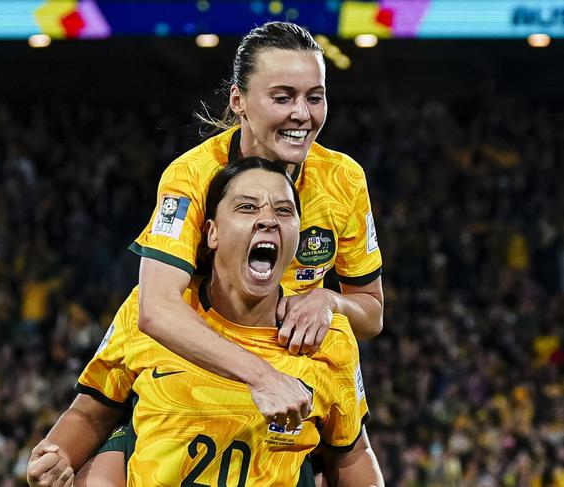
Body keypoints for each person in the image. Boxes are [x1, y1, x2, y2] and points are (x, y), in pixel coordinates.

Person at [28, 159, 383, 486]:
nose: (267, 219)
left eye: (284, 210)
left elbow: (351, 456)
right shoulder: (154, 311)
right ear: (211, 233)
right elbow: (91, 415)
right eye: (247, 207)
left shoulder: (326, 337)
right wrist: (56, 456)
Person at [131, 20, 384, 429]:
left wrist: (329, 301)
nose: (302, 114)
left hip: (291, 386)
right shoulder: (192, 176)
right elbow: (156, 308)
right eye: (282, 97)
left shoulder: (343, 179)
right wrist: (263, 377)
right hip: (192, 379)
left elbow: (372, 315)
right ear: (239, 101)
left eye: (314, 97)